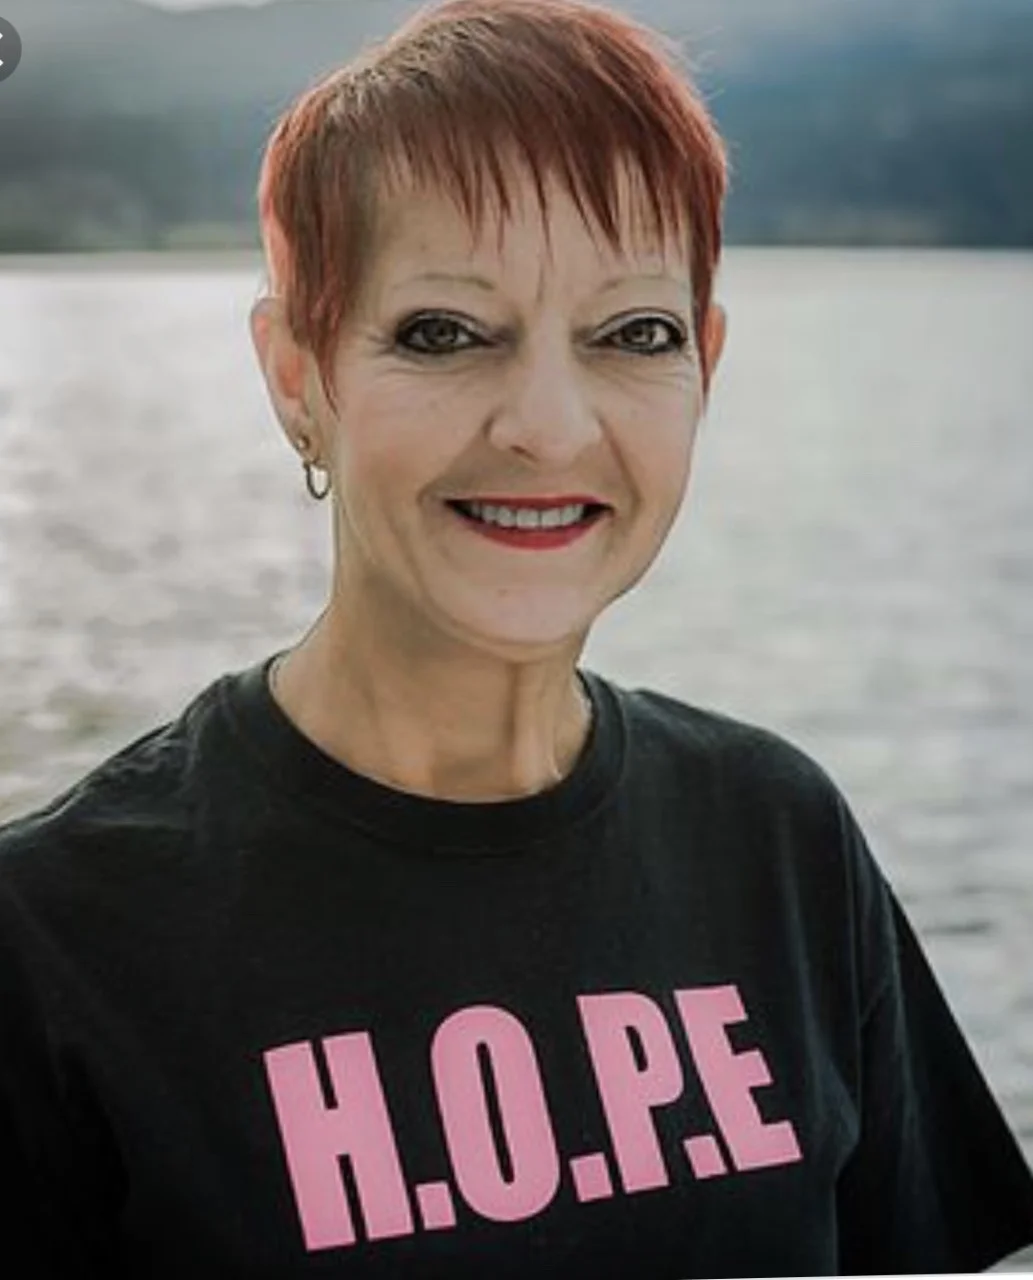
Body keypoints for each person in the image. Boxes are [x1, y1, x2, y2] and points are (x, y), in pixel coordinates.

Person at [1, 0, 1032, 1274]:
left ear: (705, 363)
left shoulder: (776, 836)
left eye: (634, 334)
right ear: (297, 375)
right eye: (443, 333)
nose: (548, 425)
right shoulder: (59, 939)